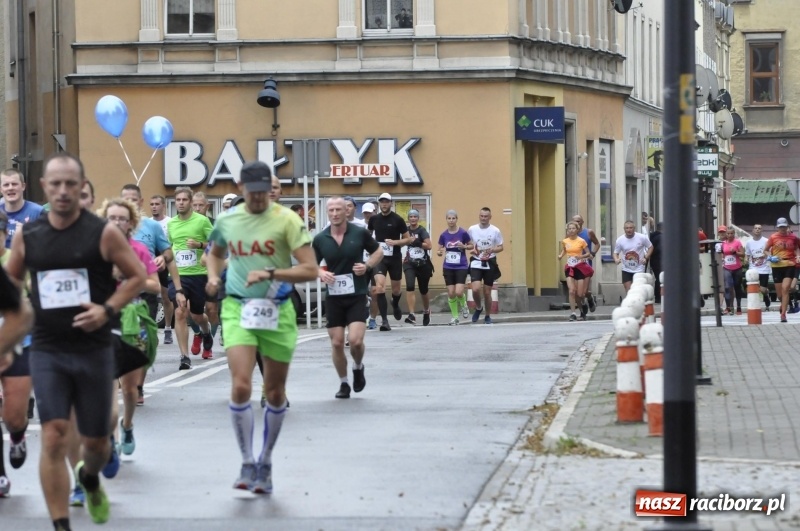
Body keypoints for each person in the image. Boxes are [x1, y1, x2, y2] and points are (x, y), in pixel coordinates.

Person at [6, 153, 146, 528]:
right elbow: (11, 285)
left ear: (82, 186)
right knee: (53, 435)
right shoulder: (28, 235)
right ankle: (61, 524)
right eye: (56, 184)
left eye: (71, 184)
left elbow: (136, 276)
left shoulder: (103, 233)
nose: (64, 191)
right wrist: (11, 328)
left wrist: (106, 309)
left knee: (96, 444)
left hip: (93, 348)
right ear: (44, 187)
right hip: (48, 347)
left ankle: (89, 477)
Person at [205, 161, 317, 494]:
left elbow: (310, 269)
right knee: (241, 386)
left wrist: (271, 273)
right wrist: (213, 276)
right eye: (252, 192)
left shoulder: (287, 220)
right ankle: (246, 461)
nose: (257, 198)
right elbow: (215, 253)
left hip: (277, 309)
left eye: (263, 192)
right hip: (238, 306)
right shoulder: (227, 219)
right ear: (241, 187)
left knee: (275, 392)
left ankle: (265, 461)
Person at [95, 198, 160, 465]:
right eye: (112, 218)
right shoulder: (95, 250)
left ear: (131, 223)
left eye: (122, 218)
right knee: (108, 384)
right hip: (104, 319)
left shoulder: (139, 250)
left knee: (130, 388)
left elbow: (155, 286)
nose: (117, 222)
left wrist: (131, 277)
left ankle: (128, 424)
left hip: (133, 318)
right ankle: (110, 439)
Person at [313, 197, 381, 398]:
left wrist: (367, 266)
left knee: (355, 341)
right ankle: (343, 383)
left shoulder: (359, 233)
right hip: (334, 297)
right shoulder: (321, 238)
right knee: (336, 343)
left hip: (356, 294)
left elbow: (378, 252)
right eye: (331, 210)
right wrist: (321, 273)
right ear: (327, 213)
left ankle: (358, 367)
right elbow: (311, 264)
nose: (335, 214)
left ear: (346, 211)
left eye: (338, 210)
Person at [121, 185, 178, 404]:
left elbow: (168, 251)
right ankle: (125, 381)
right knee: (121, 340)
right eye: (125, 199)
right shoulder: (111, 226)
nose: (129, 203)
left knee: (143, 341)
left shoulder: (151, 226)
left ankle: (138, 385)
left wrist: (163, 257)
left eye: (133, 199)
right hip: (119, 294)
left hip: (145, 293)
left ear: (140, 202)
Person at [0, 211, 34, 498]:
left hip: (18, 344)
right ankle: (0, 474)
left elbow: (28, 307)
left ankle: (18, 434)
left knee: (13, 415)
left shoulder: (16, 261)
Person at [168, 186, 214, 368]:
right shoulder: (171, 224)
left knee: (197, 315)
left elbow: (217, 244)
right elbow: (168, 247)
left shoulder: (202, 221)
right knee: (180, 312)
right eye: (178, 200)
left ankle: (206, 331)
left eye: (184, 200)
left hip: (198, 275)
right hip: (178, 275)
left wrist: (200, 244)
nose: (180, 203)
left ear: (190, 201)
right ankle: (184, 357)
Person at [368, 193, 412, 331]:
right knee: (380, 287)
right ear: (379, 204)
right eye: (382, 202)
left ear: (391, 203)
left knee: (396, 290)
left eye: (386, 202)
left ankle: (395, 302)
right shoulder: (374, 219)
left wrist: (395, 242)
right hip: (380, 258)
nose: (384, 204)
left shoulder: (397, 219)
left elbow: (408, 239)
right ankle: (385, 321)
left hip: (394, 258)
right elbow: (368, 235)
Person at [468, 207, 504, 325]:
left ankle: (487, 316)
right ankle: (479, 308)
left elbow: (501, 247)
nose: (483, 218)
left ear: (490, 217)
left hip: (489, 261)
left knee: (487, 292)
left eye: (486, 216)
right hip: (476, 261)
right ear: (479, 216)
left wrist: (493, 249)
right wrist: (472, 250)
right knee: (475, 289)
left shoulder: (495, 230)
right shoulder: (472, 229)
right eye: (481, 216)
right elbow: (469, 244)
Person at [437, 210, 473, 325]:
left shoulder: (463, 233)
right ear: (446, 220)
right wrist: (439, 252)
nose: (451, 220)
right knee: (451, 292)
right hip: (448, 266)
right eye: (449, 218)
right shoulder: (444, 235)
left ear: (457, 219)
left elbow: (471, 245)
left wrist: (464, 246)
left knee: (459, 292)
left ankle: (464, 305)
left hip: (461, 266)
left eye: (453, 218)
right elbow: (439, 249)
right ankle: (455, 317)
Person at [150, 194, 175, 344]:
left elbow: (173, 244)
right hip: (151, 261)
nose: (154, 207)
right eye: (152, 204)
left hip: (165, 261)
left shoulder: (170, 222)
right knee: (151, 296)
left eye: (157, 204)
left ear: (163, 206)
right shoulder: (147, 223)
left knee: (166, 297)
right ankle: (151, 330)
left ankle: (167, 328)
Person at [765, 217, 800, 323]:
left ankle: (783, 314)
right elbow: (765, 250)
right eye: (780, 227)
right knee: (780, 294)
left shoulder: (793, 237)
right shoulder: (773, 237)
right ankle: (783, 304)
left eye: (784, 227)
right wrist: (770, 257)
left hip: (789, 264)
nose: (783, 229)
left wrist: (798, 256)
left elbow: (797, 248)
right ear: (777, 227)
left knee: (785, 289)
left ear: (787, 226)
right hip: (777, 265)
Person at [402, 209, 433, 326]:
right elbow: (401, 242)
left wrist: (417, 242)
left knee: (423, 289)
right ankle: (412, 314)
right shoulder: (405, 231)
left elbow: (429, 246)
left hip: (423, 264)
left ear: (418, 218)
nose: (413, 218)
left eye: (415, 216)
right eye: (411, 217)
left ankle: (426, 310)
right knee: (410, 286)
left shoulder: (422, 231)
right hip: (409, 263)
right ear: (408, 219)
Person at [558, 221, 593, 321]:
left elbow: (588, 253)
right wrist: (561, 255)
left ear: (577, 230)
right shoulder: (565, 241)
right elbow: (565, 250)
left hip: (579, 267)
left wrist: (581, 256)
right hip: (570, 267)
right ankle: (573, 313)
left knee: (580, 294)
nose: (571, 230)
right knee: (572, 291)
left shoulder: (581, 241)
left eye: (573, 228)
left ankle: (583, 305)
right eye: (569, 229)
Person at [1, 169, 44, 248]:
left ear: (23, 186)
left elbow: (50, 245)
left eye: (14, 184)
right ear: (1, 189)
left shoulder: (38, 213)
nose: (10, 188)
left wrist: (28, 235)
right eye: (6, 185)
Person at [613, 220, 652, 293]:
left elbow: (651, 247)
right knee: (629, 290)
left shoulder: (642, 237)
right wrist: (616, 259)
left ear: (634, 228)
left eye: (631, 228)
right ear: (624, 229)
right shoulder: (620, 240)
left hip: (639, 268)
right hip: (626, 269)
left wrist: (646, 257)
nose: (629, 230)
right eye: (627, 228)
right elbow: (616, 253)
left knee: (637, 289)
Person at [572, 214, 600, 311]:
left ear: (582, 222)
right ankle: (582, 309)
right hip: (574, 264)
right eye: (574, 221)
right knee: (576, 292)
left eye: (578, 221)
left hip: (586, 263)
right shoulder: (570, 234)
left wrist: (593, 253)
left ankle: (589, 297)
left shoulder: (588, 232)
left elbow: (597, 244)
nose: (576, 223)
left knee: (584, 292)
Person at [361, 202, 380, 330]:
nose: (368, 215)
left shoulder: (379, 225)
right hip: (362, 262)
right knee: (360, 292)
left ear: (374, 212)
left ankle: (372, 319)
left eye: (370, 212)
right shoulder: (359, 225)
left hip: (376, 262)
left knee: (375, 292)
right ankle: (366, 304)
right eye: (365, 213)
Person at [745, 223, 771, 311]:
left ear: (761, 230)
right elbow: (747, 254)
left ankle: (766, 294)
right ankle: (756, 305)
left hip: (764, 268)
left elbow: (769, 252)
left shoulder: (766, 241)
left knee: (763, 289)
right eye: (755, 228)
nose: (757, 230)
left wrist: (765, 255)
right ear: (753, 230)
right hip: (753, 268)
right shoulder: (749, 242)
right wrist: (745, 259)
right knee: (754, 288)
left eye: (759, 228)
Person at [719, 227, 745, 315]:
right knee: (727, 287)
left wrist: (735, 252)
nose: (730, 235)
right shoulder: (723, 243)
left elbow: (743, 254)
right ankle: (729, 307)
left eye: (731, 233)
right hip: (727, 267)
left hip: (737, 268)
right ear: (726, 234)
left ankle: (739, 306)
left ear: (734, 234)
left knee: (737, 287)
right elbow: (722, 254)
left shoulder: (737, 242)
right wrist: (722, 259)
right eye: (728, 233)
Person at [648, 222, 663, 304]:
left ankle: (658, 296)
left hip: (653, 261)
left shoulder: (651, 236)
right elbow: (660, 250)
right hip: (660, 261)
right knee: (660, 279)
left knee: (658, 278)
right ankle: (659, 297)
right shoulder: (661, 238)